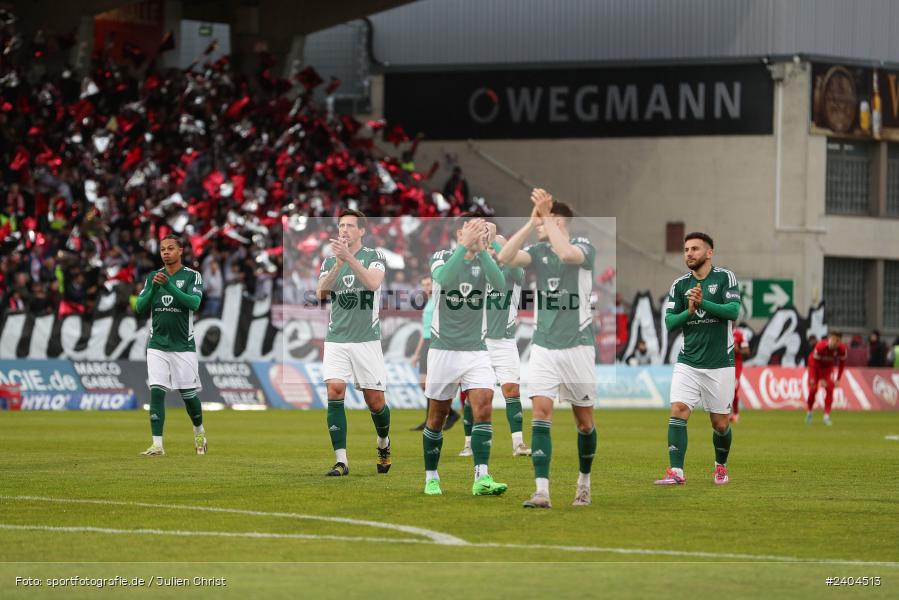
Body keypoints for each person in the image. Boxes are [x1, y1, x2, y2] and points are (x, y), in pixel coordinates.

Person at [497, 189, 598, 508]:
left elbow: (567, 255)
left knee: (584, 422)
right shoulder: (539, 251)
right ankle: (542, 490)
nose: (540, 223)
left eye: (544, 219)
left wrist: (547, 217)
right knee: (541, 413)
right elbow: (505, 257)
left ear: (559, 220)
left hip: (577, 346)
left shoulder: (583, 247)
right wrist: (530, 222)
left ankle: (584, 481)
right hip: (543, 347)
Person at [421, 213, 508, 497]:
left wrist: (481, 251)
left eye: (482, 230)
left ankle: (482, 477)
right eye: (472, 229)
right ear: (460, 233)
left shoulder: (485, 261)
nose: (478, 234)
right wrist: (464, 248)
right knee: (437, 416)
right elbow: (442, 280)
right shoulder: (442, 256)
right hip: (443, 350)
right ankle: (431, 477)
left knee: (483, 406)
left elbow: (500, 284)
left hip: (476, 350)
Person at [653, 232, 741, 486]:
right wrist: (689, 311)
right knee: (678, 410)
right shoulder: (680, 285)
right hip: (688, 361)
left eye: (695, 249)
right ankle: (676, 472)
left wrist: (705, 303)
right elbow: (670, 323)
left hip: (720, 363)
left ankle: (721, 465)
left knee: (721, 424)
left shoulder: (725, 278)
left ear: (709, 252)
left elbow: (734, 311)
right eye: (686, 250)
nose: (689, 253)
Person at [315, 209, 392, 476]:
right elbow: (321, 293)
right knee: (335, 391)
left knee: (375, 403)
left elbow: (372, 283)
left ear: (362, 231)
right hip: (336, 339)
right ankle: (341, 460)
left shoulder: (375, 257)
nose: (344, 230)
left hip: (366, 340)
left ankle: (383, 443)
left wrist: (349, 258)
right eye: (341, 226)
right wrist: (338, 263)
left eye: (350, 225)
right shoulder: (329, 261)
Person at [134, 235, 207, 456]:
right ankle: (157, 445)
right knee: (156, 391)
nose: (166, 252)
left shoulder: (193, 276)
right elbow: (139, 307)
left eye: (171, 248)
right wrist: (155, 288)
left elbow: (194, 303)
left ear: (181, 251)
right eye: (163, 249)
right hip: (157, 344)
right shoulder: (153, 277)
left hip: (183, 345)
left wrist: (169, 286)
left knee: (188, 395)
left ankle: (199, 431)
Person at [472, 228, 531, 457]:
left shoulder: (513, 272)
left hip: (505, 341)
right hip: (479, 341)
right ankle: (469, 442)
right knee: (478, 394)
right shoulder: (478, 270)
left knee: (511, 390)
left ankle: (518, 443)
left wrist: (495, 239)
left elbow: (515, 265)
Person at [410, 275, 460, 431]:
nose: (426, 287)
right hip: (426, 342)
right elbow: (424, 331)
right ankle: (449, 414)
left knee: (429, 383)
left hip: (436, 343)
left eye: (428, 283)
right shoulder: (428, 303)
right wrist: (417, 353)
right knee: (423, 383)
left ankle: (432, 419)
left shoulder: (440, 301)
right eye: (424, 284)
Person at [805, 331, 847, 426]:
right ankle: (809, 412)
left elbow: (842, 364)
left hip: (827, 369)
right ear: (830, 339)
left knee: (830, 389)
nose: (835, 343)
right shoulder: (820, 346)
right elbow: (815, 363)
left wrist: (838, 379)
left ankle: (826, 417)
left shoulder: (842, 349)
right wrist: (821, 378)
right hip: (814, 367)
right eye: (834, 340)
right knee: (813, 390)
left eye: (838, 341)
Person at [730, 328, 750, 423]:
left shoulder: (740, 334)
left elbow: (747, 351)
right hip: (722, 364)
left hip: (736, 364)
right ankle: (725, 414)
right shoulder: (722, 330)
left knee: (733, 388)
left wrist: (738, 350)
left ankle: (735, 414)